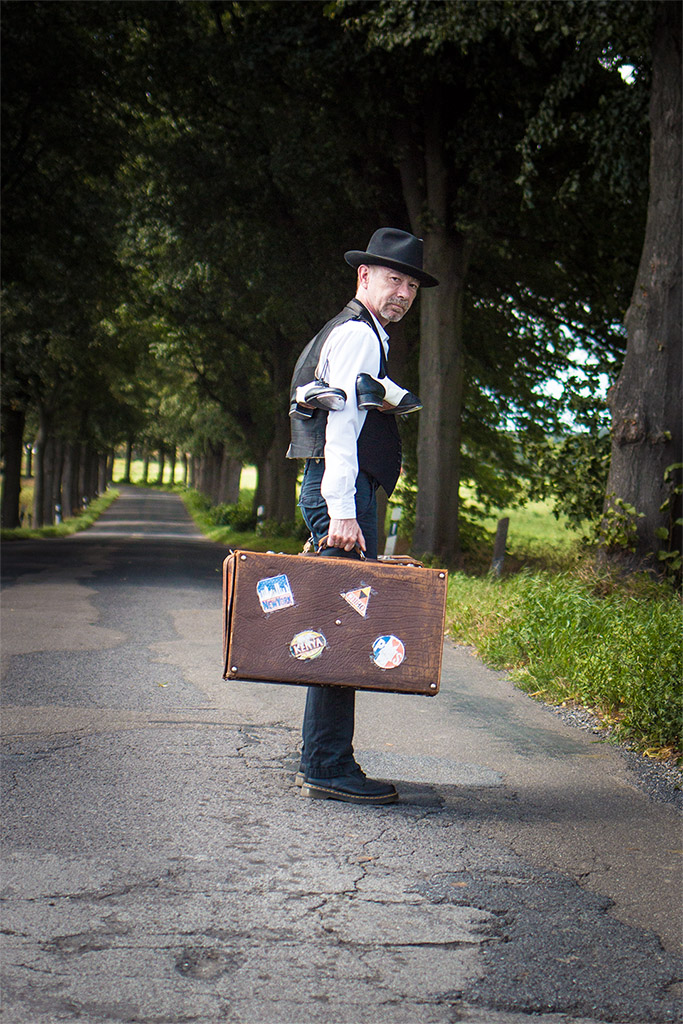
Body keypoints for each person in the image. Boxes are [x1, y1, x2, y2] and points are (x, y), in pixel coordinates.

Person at [286, 227, 439, 805]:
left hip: (344, 493)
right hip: (344, 496)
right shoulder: (357, 335)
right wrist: (343, 511)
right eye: (393, 279)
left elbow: (354, 398)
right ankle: (327, 764)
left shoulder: (364, 334)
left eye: (411, 285)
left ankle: (322, 758)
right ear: (364, 276)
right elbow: (342, 425)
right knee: (343, 628)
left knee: (339, 624)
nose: (402, 292)